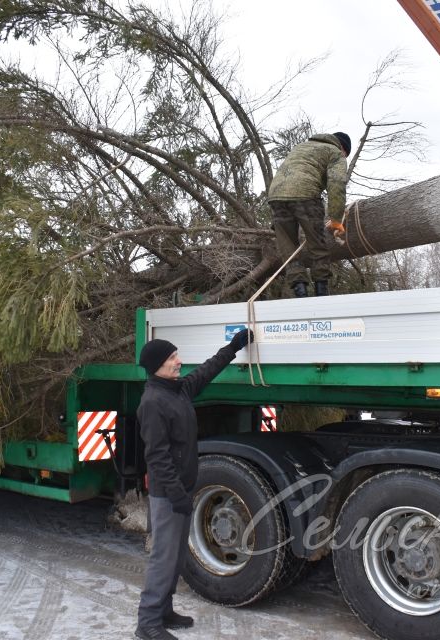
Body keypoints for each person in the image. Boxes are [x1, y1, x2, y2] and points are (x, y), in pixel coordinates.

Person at [134, 327, 253, 640]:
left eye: (177, 355)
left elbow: (207, 370)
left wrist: (233, 348)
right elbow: (157, 458)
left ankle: (164, 610)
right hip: (168, 495)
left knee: (176, 556)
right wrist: (177, 495)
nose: (179, 361)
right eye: (173, 357)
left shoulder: (179, 389)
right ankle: (147, 623)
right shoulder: (152, 402)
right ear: (157, 365)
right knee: (163, 556)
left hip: (181, 490)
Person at [268, 132, 351, 298]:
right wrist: (336, 219)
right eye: (346, 154)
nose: (345, 157)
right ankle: (321, 293)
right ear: (342, 148)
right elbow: (337, 185)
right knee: (317, 244)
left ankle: (300, 292)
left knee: (288, 247)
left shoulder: (301, 147)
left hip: (276, 196)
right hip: (306, 195)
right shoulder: (335, 153)